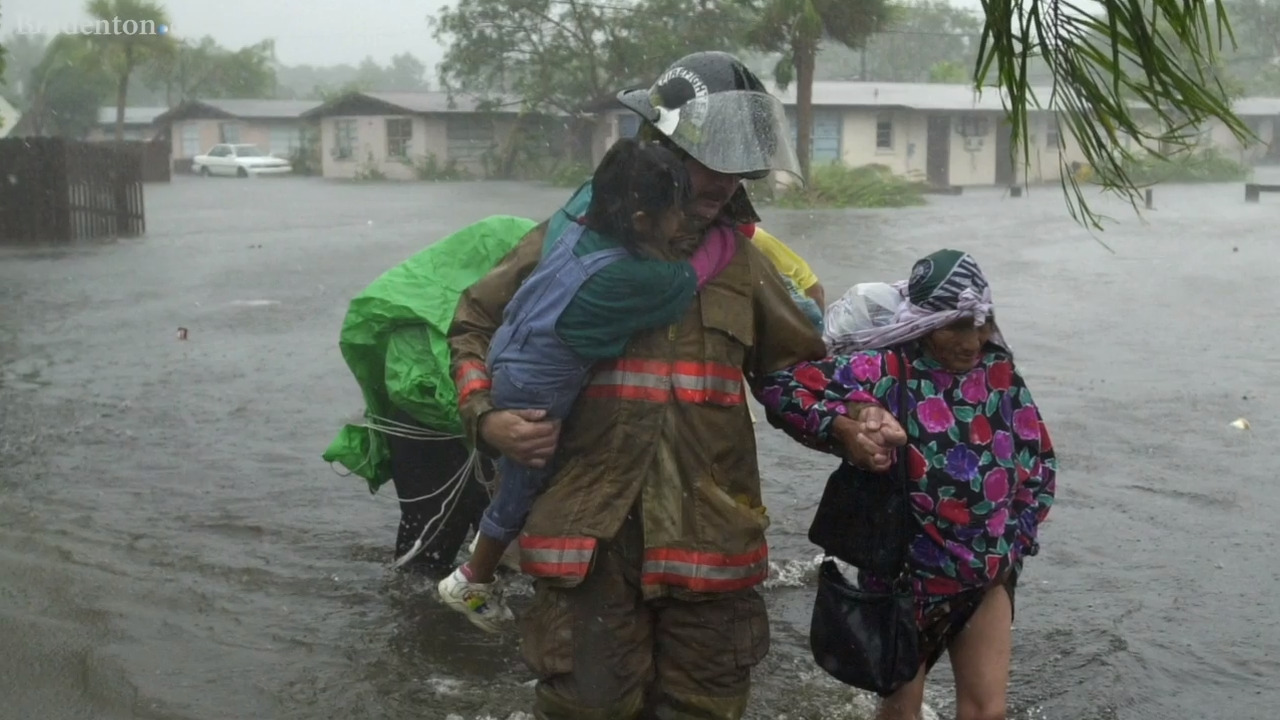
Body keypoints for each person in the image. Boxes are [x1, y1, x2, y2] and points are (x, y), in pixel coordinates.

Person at [448, 51, 898, 720]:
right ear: (660, 148)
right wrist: (486, 417)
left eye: (738, 163)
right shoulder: (572, 241)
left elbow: (794, 372)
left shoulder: (743, 263)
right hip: (586, 546)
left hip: (711, 551)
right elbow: (474, 324)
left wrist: (846, 420)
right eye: (707, 158)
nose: (726, 179)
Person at [437, 137, 737, 632]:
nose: (721, 188)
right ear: (644, 219)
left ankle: (487, 567)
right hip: (537, 398)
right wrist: (483, 416)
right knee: (525, 481)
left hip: (516, 358)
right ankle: (474, 576)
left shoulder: (578, 228)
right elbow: (470, 321)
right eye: (702, 172)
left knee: (523, 483)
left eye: (736, 174)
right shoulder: (637, 272)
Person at [756, 249, 1058, 720]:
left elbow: (1037, 460)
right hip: (906, 577)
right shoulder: (884, 369)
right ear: (923, 322)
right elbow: (780, 386)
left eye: (980, 324)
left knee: (987, 711)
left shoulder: (1000, 373)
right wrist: (848, 422)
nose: (972, 340)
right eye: (955, 325)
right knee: (901, 711)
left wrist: (1015, 539)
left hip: (987, 572)